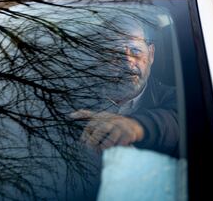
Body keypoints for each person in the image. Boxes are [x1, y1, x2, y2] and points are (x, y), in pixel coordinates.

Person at [71, 18, 178, 156]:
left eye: (135, 51)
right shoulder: (76, 97)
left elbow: (177, 121)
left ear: (151, 54)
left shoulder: (175, 98)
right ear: (100, 59)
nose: (128, 64)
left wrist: (137, 127)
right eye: (115, 53)